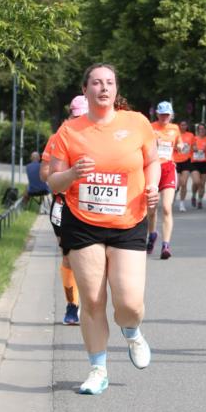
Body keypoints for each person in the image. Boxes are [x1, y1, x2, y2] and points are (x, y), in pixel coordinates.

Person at [47, 63, 160, 394]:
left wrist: (152, 186)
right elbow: (54, 179)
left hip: (128, 222)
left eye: (109, 82)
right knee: (93, 301)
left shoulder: (136, 123)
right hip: (83, 223)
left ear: (116, 89)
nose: (103, 88)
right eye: (96, 83)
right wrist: (72, 175)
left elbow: (153, 161)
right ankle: (98, 369)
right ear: (86, 90)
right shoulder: (69, 132)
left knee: (129, 303)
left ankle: (132, 331)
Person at [41, 95, 89, 326]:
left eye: (83, 116)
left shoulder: (101, 138)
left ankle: (92, 302)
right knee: (69, 257)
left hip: (93, 207)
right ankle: (72, 305)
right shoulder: (58, 137)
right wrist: (65, 173)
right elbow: (44, 174)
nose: (78, 120)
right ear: (69, 115)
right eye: (75, 116)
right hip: (63, 205)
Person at [146, 101, 182, 259]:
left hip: (168, 168)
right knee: (151, 209)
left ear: (171, 115)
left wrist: (181, 147)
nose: (164, 117)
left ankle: (165, 245)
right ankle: (152, 234)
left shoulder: (175, 129)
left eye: (167, 114)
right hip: (153, 169)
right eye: (162, 114)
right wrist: (153, 144)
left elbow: (179, 144)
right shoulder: (150, 127)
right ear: (157, 114)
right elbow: (143, 146)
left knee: (167, 208)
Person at [190, 123, 206, 209]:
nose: (202, 130)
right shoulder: (194, 139)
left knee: (202, 184)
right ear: (198, 130)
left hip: (204, 163)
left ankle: (199, 201)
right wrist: (194, 149)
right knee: (196, 182)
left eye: (203, 129)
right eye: (200, 129)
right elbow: (188, 149)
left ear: (205, 130)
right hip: (195, 163)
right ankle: (193, 195)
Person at [173, 119, 194, 212]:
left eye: (185, 125)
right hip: (175, 161)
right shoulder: (175, 135)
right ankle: (174, 194)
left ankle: (182, 203)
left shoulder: (191, 135)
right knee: (177, 184)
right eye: (182, 125)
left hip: (186, 161)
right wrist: (176, 147)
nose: (183, 126)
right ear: (179, 126)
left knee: (184, 183)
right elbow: (170, 145)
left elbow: (193, 147)